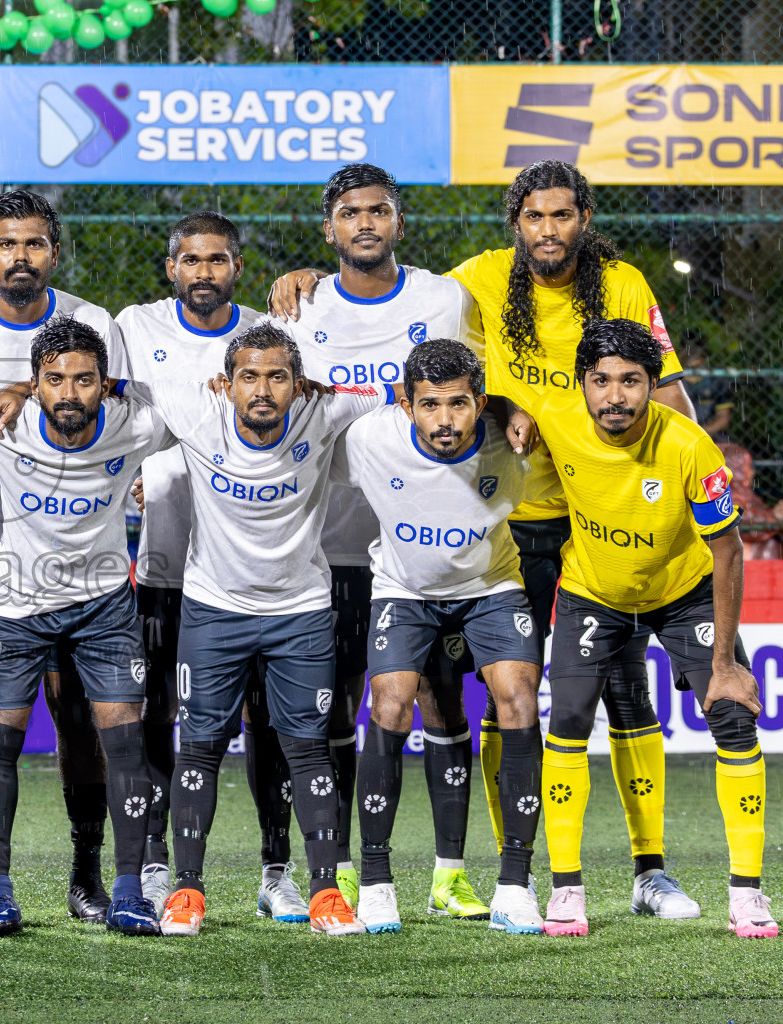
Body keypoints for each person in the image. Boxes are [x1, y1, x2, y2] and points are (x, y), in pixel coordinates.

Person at [269, 160, 702, 918]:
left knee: (629, 691)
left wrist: (693, 481)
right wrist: (307, 278)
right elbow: (370, 281)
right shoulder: (473, 282)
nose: (547, 230)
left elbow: (662, 388)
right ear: (515, 222)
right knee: (510, 701)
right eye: (534, 217)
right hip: (514, 519)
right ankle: (518, 876)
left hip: (605, 512)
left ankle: (650, 871)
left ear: (584, 218)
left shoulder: (625, 283)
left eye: (562, 216)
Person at [118, 321, 392, 937]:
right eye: (249, 377)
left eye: (277, 377)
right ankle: (186, 892)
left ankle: (326, 895)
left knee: (308, 749)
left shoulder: (327, 408)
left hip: (300, 613)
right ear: (226, 383)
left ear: (299, 384)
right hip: (213, 611)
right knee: (201, 747)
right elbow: (112, 385)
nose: (262, 390)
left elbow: (403, 391)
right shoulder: (195, 407)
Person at [511, 319, 773, 939]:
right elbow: (499, 397)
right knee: (569, 719)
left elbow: (729, 550)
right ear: (581, 384)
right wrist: (511, 409)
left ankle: (748, 895)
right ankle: (568, 889)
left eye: (631, 381)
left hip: (682, 594)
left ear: (653, 387)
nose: (614, 397)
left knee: (734, 714)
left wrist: (728, 663)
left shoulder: (689, 446)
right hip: (592, 593)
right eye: (600, 381)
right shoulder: (557, 413)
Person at [277, 163, 491, 919]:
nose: (365, 224)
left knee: (439, 701)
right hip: (327, 544)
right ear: (329, 227)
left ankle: (449, 872)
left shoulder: (442, 298)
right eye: (350, 213)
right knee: (337, 709)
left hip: (427, 548)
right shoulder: (296, 311)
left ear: (398, 221)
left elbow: (476, 396)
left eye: (379, 211)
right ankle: (340, 875)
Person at [0, 189, 133, 923]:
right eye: (7, 245)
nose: (21, 257)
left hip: (74, 564)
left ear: (54, 251)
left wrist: (19, 387)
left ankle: (85, 872)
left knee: (80, 721)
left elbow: (119, 401)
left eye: (35, 243)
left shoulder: (93, 324)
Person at [113, 211, 302, 922]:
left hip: (255, 569)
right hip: (166, 563)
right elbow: (99, 400)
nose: (203, 272)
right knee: (164, 716)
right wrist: (133, 470)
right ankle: (159, 865)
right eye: (191, 260)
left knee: (269, 720)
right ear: (172, 268)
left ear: (237, 268)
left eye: (217, 260)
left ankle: (275, 870)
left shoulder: (268, 334)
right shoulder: (135, 326)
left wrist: (308, 281)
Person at [0, 316, 171, 937]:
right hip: (16, 605)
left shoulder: (140, 423)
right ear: (35, 384)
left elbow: (179, 397)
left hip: (104, 606)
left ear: (104, 384)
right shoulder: (2, 423)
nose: (69, 394)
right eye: (53, 381)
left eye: (85, 380)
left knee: (123, 746)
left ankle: (128, 890)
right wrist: (14, 393)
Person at [334, 340, 543, 935]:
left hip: (491, 586)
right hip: (404, 589)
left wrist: (512, 408)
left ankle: (515, 884)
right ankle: (375, 881)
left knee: (519, 700)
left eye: (458, 404)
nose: (444, 420)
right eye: (429, 405)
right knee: (391, 703)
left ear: (480, 401)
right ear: (406, 403)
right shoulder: (371, 437)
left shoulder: (514, 440)